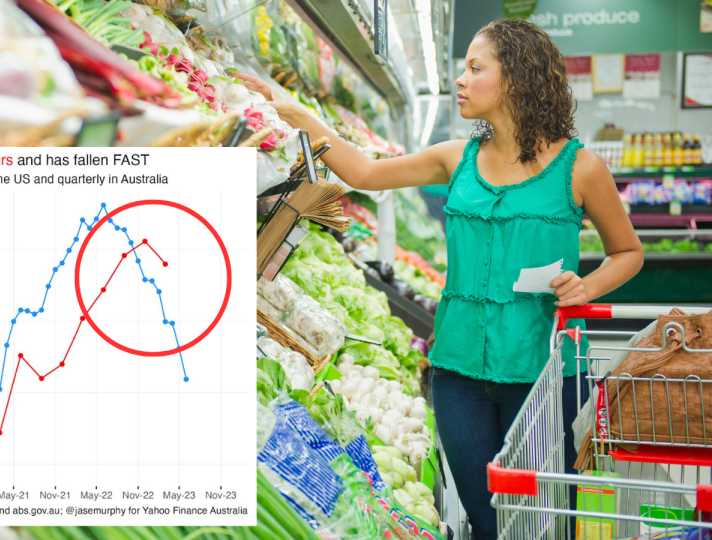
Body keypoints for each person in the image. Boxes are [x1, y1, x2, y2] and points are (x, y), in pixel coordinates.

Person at [239, 18, 643, 540]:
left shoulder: (580, 168)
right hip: (456, 375)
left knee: (542, 521)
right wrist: (294, 114)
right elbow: (363, 173)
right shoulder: (456, 158)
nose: (460, 80)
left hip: (541, 375)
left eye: (475, 68)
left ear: (516, 78)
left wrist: (587, 286)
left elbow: (628, 253)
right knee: (489, 520)